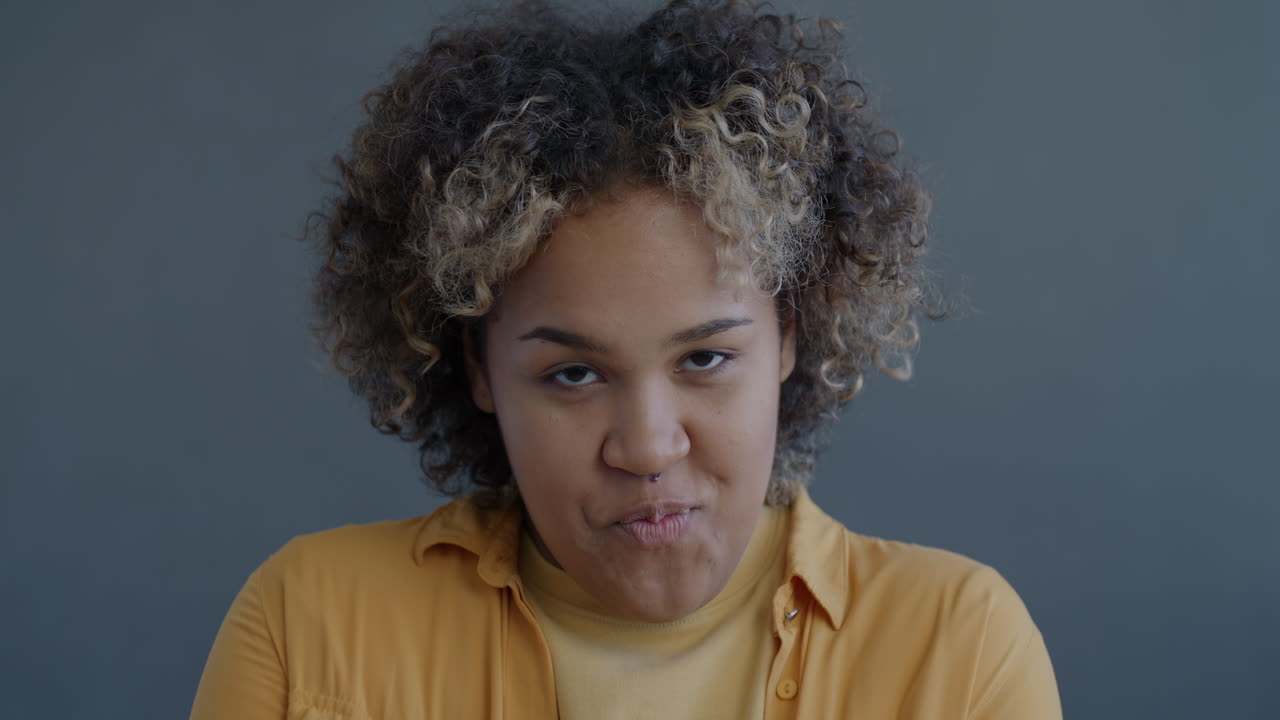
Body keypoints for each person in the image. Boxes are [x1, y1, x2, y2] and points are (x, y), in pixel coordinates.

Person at [190, 0, 1062, 717]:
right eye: (573, 374)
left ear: (790, 336)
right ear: (480, 371)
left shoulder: (958, 650)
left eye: (707, 360)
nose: (646, 449)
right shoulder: (307, 632)